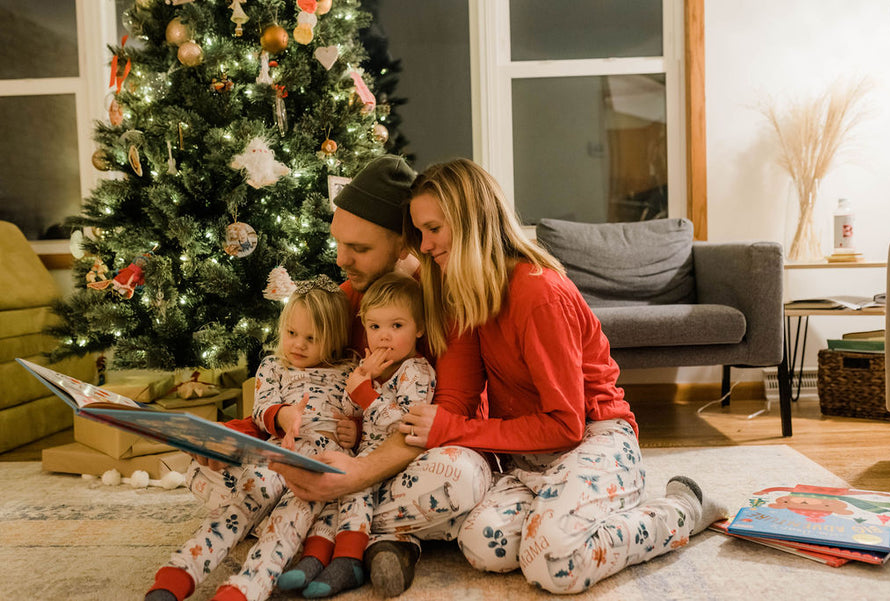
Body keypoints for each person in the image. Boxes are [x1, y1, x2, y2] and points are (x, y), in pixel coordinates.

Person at [397, 158, 729, 594]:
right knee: (482, 547)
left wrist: (455, 430)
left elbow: (566, 425)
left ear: (472, 222)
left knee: (555, 565)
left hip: (594, 437)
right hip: (529, 456)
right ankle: (568, 511)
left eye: (433, 230)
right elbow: (457, 394)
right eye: (419, 233)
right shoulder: (464, 293)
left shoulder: (538, 293)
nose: (424, 246)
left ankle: (683, 508)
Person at [271, 155, 492, 597]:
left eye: (360, 249)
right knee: (227, 471)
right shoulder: (347, 298)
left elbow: (447, 415)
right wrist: (259, 430)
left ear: (405, 245)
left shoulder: (449, 303)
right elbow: (300, 377)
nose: (340, 259)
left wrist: (356, 474)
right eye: (338, 242)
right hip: (350, 450)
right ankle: (383, 536)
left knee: (459, 475)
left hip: (421, 454)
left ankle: (349, 532)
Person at [146, 276, 358, 601]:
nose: (297, 344)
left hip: (319, 468)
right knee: (239, 507)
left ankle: (245, 589)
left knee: (286, 527)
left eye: (311, 338)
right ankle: (177, 574)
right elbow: (261, 409)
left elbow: (363, 413)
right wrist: (283, 415)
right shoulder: (274, 366)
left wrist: (353, 429)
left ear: (334, 339)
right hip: (275, 456)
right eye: (291, 333)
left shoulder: (350, 369)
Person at [278, 272, 435, 598]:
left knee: (353, 491)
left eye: (397, 326)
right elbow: (358, 413)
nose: (384, 337)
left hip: (394, 463)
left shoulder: (416, 371)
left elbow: (405, 425)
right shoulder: (372, 368)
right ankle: (313, 557)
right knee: (333, 497)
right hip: (363, 453)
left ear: (419, 328)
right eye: (375, 327)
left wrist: (365, 393)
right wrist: (355, 419)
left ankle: (348, 560)